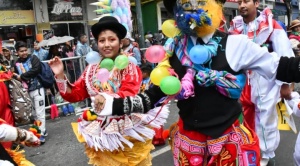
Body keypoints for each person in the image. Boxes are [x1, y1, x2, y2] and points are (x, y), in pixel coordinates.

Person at [71, 0, 300, 165]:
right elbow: (152, 96)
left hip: (229, 141)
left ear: (215, 6)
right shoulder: (173, 48)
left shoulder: (236, 44)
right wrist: (111, 106)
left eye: (200, 1)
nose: (192, 7)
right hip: (189, 143)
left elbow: (281, 66)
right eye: (184, 3)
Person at [48, 16, 163, 165]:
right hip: (100, 130)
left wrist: (107, 99)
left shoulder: (129, 66)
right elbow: (75, 94)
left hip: (126, 131)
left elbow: (129, 93)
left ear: (120, 42)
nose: (106, 45)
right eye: (102, 41)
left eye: (111, 40)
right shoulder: (92, 68)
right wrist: (60, 75)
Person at [228, 1, 294, 165]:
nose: (242, 5)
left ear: (256, 3)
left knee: (266, 119)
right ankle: (249, 148)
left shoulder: (272, 26)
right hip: (242, 81)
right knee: (244, 116)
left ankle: (265, 155)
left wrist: (285, 83)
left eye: (247, 1)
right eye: (240, 2)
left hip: (266, 80)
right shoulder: (234, 27)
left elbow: (285, 53)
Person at [13, 41, 47, 144]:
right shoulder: (16, 63)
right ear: (17, 52)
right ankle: (41, 129)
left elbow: (35, 70)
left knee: (40, 112)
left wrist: (21, 76)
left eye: (25, 50)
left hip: (38, 89)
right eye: (21, 51)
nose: (24, 53)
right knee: (34, 114)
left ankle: (40, 134)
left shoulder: (33, 58)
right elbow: (15, 76)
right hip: (26, 92)